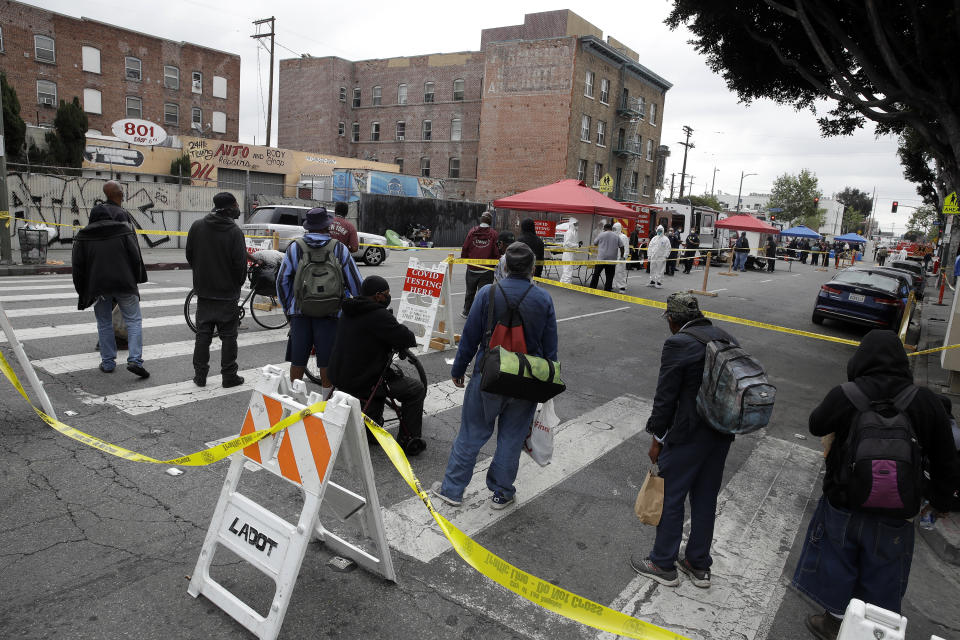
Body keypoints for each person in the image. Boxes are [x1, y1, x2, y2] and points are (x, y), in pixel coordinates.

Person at [792, 330, 957, 639]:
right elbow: (946, 459)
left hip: (845, 502)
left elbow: (817, 424)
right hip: (897, 512)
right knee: (885, 573)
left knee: (837, 562)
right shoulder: (924, 401)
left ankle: (833, 622)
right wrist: (939, 502)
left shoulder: (848, 393)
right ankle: (873, 631)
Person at [432, 243, 558, 508]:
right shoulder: (543, 298)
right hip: (526, 381)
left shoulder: (488, 293)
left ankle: (453, 490)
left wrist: (458, 369)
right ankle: (502, 492)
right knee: (511, 439)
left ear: (505, 266)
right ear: (532, 268)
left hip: (487, 377)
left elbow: (469, 338)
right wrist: (547, 386)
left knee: (471, 434)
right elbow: (551, 349)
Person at [630, 293, 737, 588]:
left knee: (672, 495)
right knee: (705, 499)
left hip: (688, 434)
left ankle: (663, 563)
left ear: (672, 320)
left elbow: (665, 398)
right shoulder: (726, 337)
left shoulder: (678, 343)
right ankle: (698, 564)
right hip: (721, 433)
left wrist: (657, 438)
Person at [328, 275, 426, 453]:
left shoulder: (349, 310)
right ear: (378, 295)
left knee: (380, 381)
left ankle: (372, 428)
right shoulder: (378, 315)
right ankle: (408, 439)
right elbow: (407, 337)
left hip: (339, 376)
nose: (388, 297)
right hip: (364, 382)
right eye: (387, 294)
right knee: (416, 389)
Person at [277, 207, 363, 399]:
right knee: (327, 361)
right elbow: (356, 283)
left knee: (298, 359)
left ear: (308, 227)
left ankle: (295, 400)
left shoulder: (295, 247)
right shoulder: (339, 248)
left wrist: (289, 309)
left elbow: (282, 281)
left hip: (300, 312)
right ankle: (326, 401)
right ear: (327, 226)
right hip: (331, 313)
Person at [72, 194, 149, 378]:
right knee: (133, 321)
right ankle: (135, 360)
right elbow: (135, 258)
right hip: (124, 283)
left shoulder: (83, 236)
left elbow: (78, 268)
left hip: (98, 286)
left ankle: (107, 362)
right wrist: (136, 280)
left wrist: (82, 292)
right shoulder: (123, 231)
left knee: (104, 322)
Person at [185, 192, 248, 388]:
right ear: (230, 208)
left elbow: (190, 256)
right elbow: (240, 266)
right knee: (229, 337)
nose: (239, 209)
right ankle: (229, 376)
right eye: (236, 205)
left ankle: (200, 376)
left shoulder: (197, 226)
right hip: (227, 293)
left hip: (204, 291)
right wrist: (237, 284)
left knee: (203, 335)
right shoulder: (235, 233)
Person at [460, 211, 500, 317]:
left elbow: (465, 247)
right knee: (484, 293)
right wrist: (496, 263)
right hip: (486, 269)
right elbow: (496, 251)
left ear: (481, 220)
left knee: (470, 291)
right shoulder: (494, 234)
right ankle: (482, 314)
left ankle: (466, 311)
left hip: (472, 268)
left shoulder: (472, 232)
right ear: (490, 221)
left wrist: (465, 260)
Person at [589, 222, 620, 291]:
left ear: (605, 228)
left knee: (596, 274)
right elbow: (622, 246)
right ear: (611, 229)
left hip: (601, 258)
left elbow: (595, 243)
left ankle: (592, 288)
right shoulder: (616, 235)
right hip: (612, 259)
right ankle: (607, 289)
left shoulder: (601, 234)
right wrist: (622, 255)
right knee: (610, 276)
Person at [560, 218, 580, 284]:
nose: (577, 225)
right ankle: (566, 283)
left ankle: (563, 282)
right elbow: (567, 243)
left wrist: (577, 245)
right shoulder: (569, 232)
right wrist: (576, 245)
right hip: (568, 253)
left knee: (568, 268)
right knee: (567, 269)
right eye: (575, 224)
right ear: (572, 224)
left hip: (570, 253)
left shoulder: (573, 232)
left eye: (577, 224)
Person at [612, 222, 629, 292]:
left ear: (619, 228)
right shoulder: (612, 236)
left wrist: (624, 256)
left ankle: (622, 287)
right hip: (613, 257)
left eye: (615, 228)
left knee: (620, 272)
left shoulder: (623, 237)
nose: (613, 230)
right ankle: (612, 285)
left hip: (620, 257)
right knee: (612, 272)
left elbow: (626, 248)